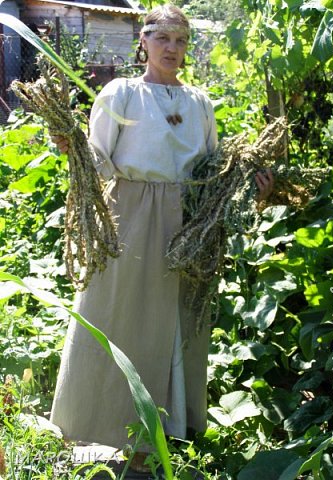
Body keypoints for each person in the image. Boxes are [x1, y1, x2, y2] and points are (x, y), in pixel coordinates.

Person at [50, 3, 274, 472]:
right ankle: (101, 428)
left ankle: (162, 432)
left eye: (181, 40)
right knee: (118, 316)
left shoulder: (198, 103)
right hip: (130, 218)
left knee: (175, 323)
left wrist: (249, 182)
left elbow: (213, 169)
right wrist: (70, 144)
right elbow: (97, 156)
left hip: (188, 226)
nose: (172, 49)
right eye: (163, 39)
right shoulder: (121, 94)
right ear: (144, 42)